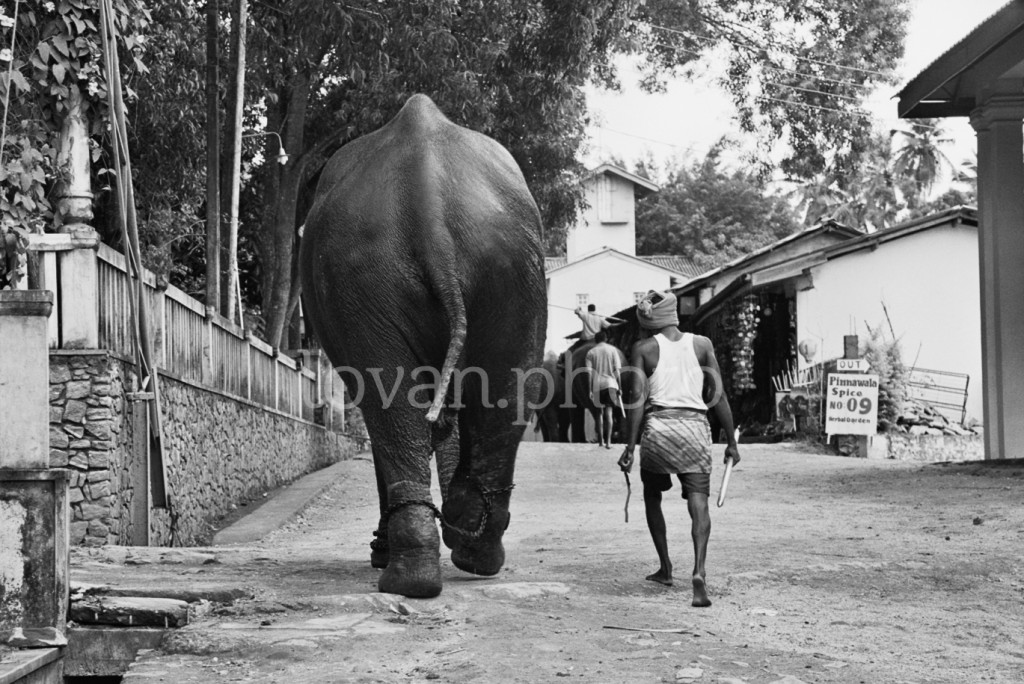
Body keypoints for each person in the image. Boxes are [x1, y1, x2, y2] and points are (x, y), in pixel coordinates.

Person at [617, 290, 740, 608]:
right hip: (695, 429)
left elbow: (637, 404)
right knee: (699, 503)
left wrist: (630, 447)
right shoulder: (702, 345)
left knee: (652, 496)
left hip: (659, 430)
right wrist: (731, 441)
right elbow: (719, 396)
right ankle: (698, 571)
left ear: (648, 319)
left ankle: (666, 567)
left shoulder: (642, 348)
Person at [585, 330, 622, 449]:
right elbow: (617, 371)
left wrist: (590, 389)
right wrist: (620, 387)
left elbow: (589, 373)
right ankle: (609, 442)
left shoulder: (591, 352)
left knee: (599, 414)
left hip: (597, 386)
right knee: (609, 414)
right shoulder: (612, 350)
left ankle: (601, 441)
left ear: (596, 340)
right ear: (606, 339)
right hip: (611, 384)